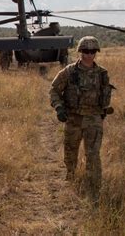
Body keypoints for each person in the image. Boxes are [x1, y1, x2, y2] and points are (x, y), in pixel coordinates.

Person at [49, 36, 114, 203]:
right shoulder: (68, 72)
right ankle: (71, 179)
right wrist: (59, 108)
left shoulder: (102, 73)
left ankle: (94, 189)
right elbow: (54, 91)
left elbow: (104, 95)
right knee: (70, 153)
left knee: (93, 155)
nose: (89, 55)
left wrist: (104, 110)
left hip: (93, 119)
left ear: (96, 52)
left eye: (92, 51)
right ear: (80, 52)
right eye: (86, 51)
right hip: (74, 119)